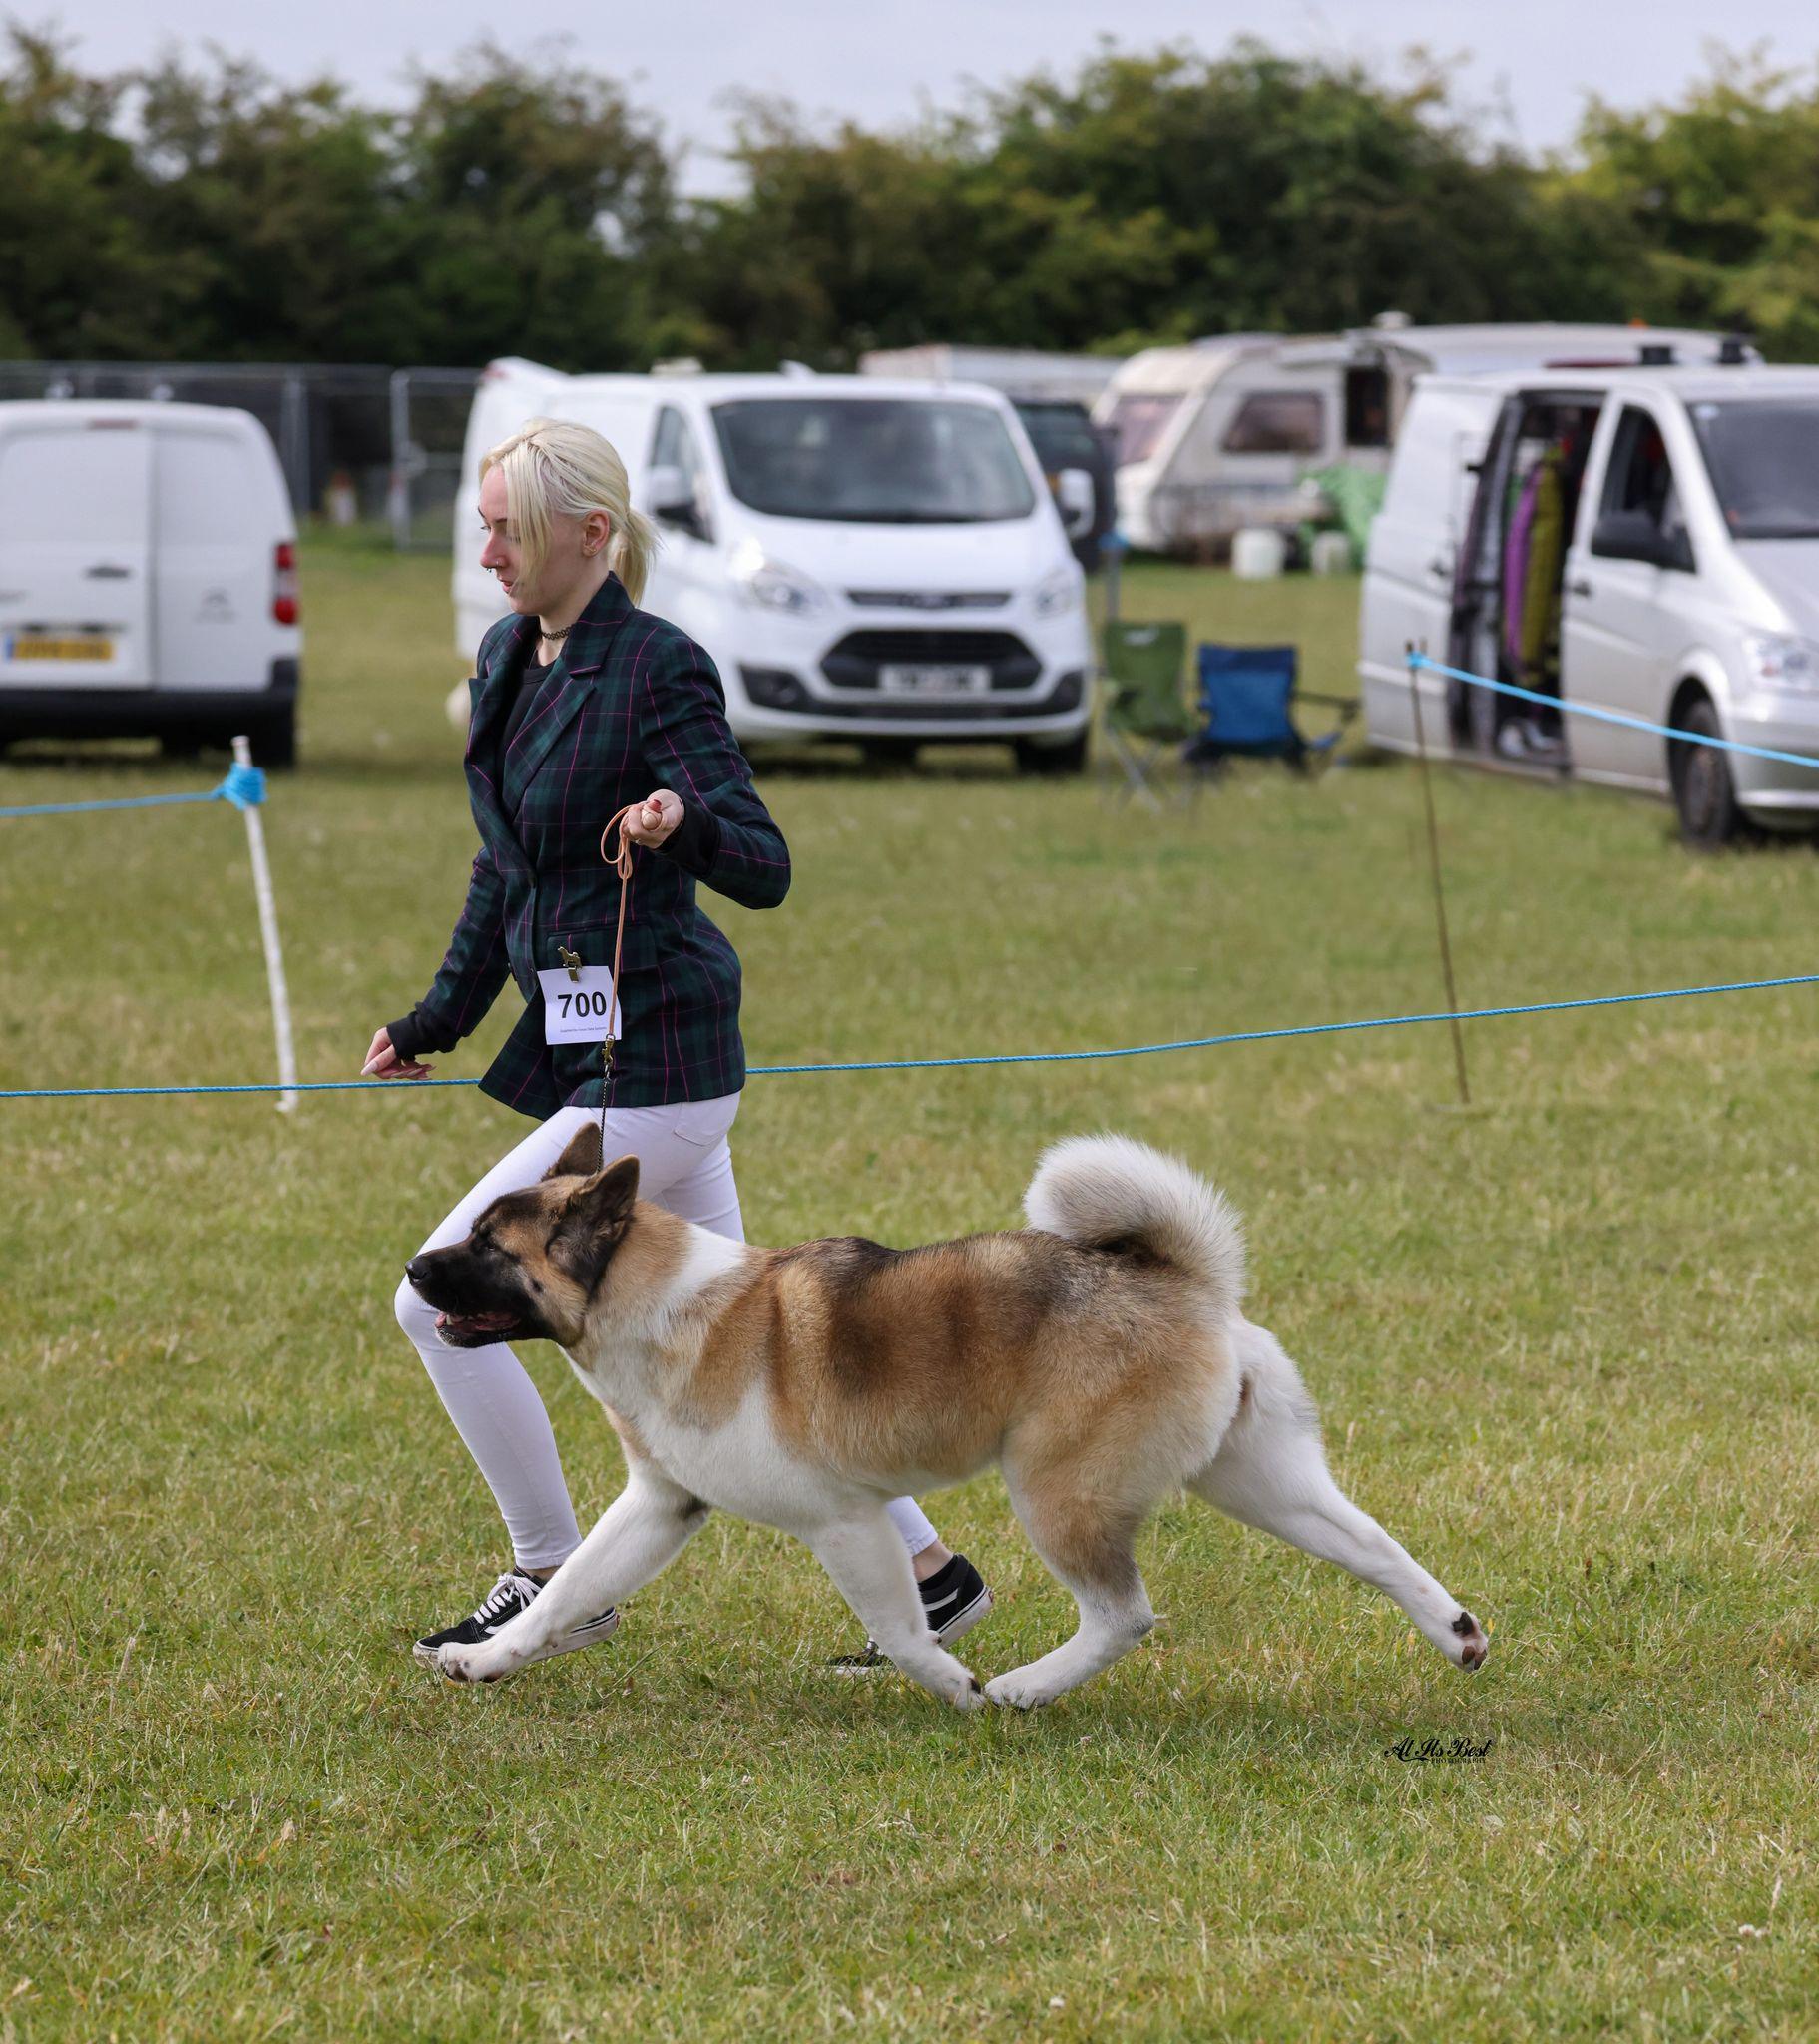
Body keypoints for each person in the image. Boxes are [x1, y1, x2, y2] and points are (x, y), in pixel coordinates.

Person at [369, 417, 992, 1672]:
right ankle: (932, 1580)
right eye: (484, 522)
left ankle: (551, 1569)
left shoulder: (658, 666)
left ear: (590, 534)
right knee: (748, 1349)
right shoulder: (503, 656)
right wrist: (434, 1018)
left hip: (664, 1052)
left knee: (430, 1294)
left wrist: (679, 815)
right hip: (587, 1047)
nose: (486, 548)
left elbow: (762, 863)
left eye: (507, 527)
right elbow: (506, 869)